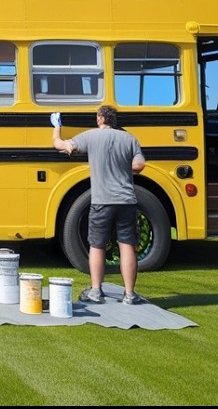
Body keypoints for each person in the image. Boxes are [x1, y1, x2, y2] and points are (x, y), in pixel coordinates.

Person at [50, 105, 147, 305]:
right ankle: (129, 294)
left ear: (100, 119)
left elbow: (60, 145)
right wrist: (122, 167)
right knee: (127, 245)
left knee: (97, 245)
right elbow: (139, 165)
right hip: (126, 201)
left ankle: (96, 291)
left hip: (102, 201)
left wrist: (56, 126)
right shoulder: (130, 139)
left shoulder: (91, 137)